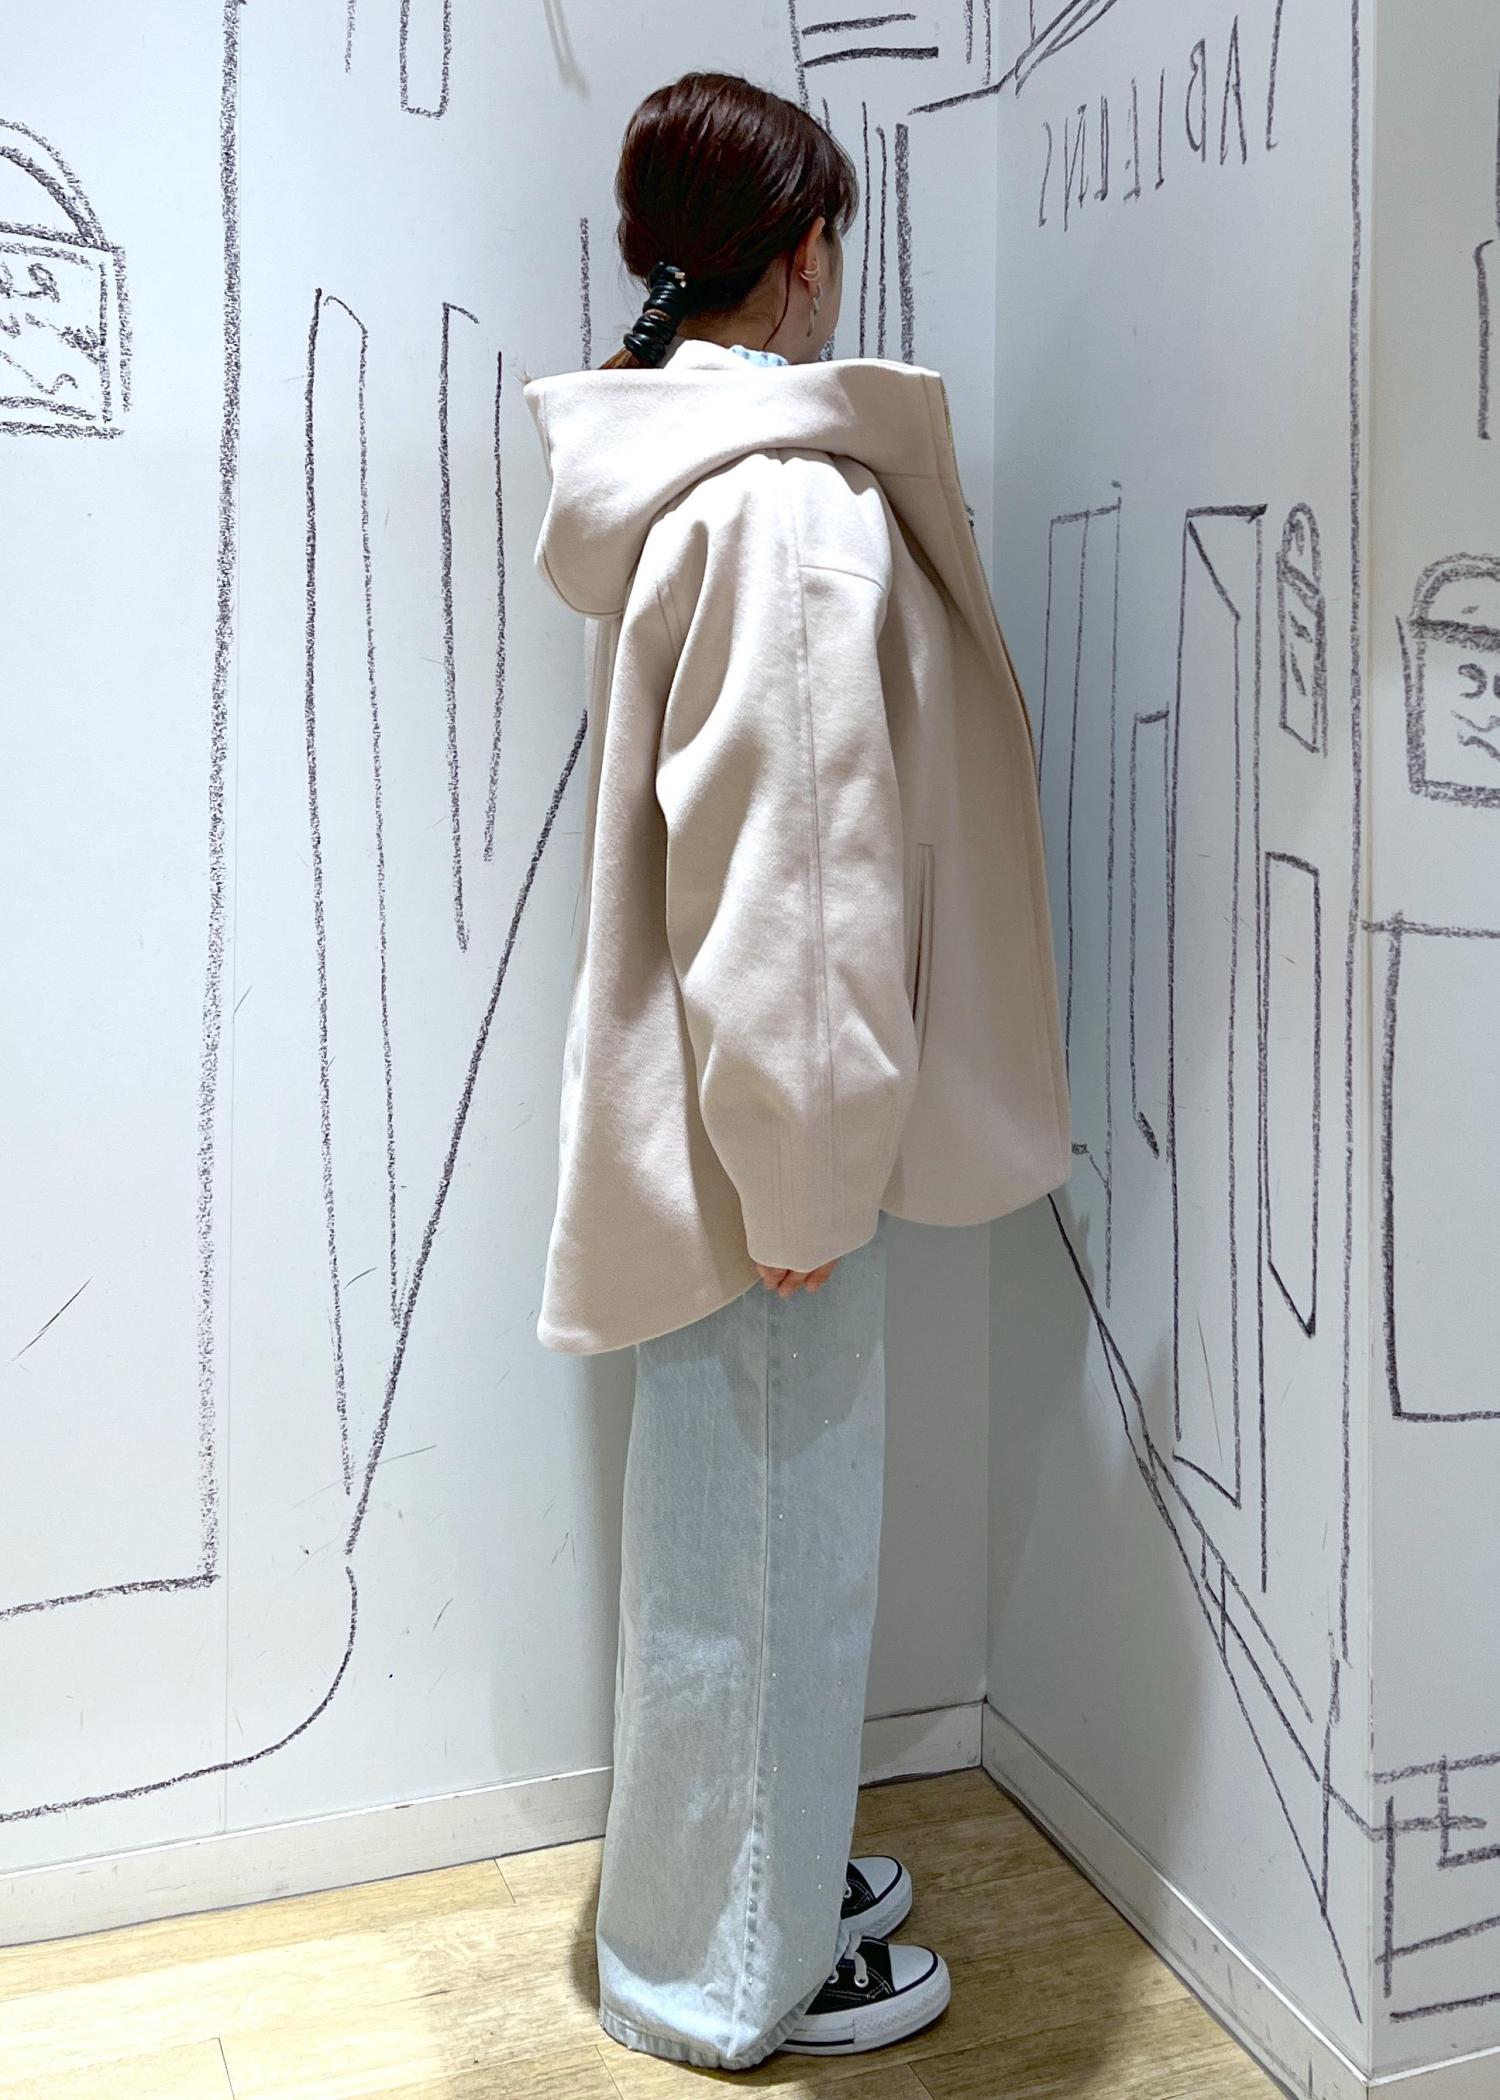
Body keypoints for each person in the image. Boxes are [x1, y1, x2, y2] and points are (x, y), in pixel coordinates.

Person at [521, 69, 1070, 2073]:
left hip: (720, 1128)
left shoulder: (699, 482)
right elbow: (802, 881)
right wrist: (814, 1175)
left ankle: (751, 1870)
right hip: (773, 1153)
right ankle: (719, 1970)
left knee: (736, 1550)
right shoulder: (783, 504)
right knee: (767, 1558)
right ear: (810, 247)